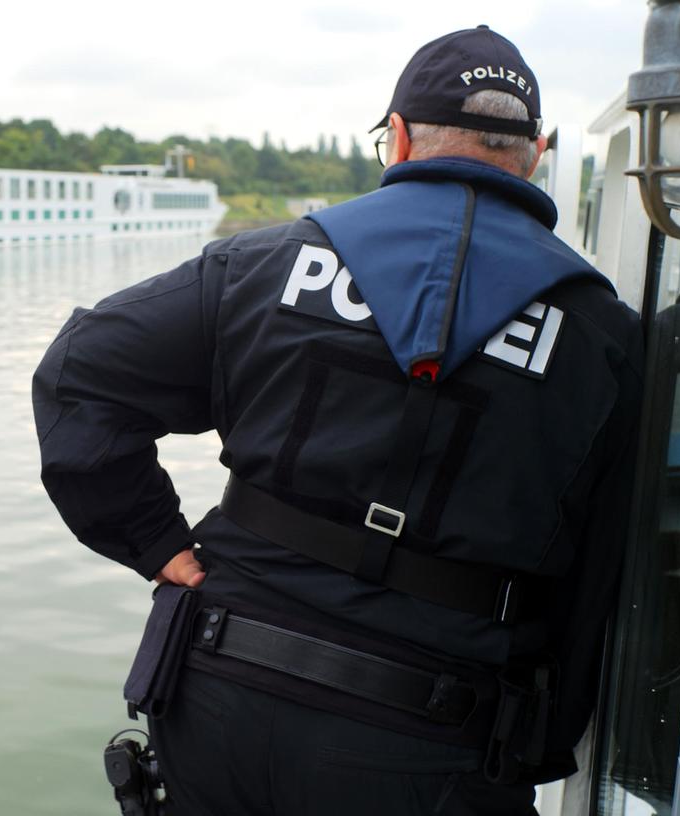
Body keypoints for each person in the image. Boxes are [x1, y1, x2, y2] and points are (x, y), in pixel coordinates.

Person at [34, 26, 643, 816]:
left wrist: (155, 543)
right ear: (535, 151)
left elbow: (80, 375)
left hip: (223, 689)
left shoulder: (256, 265)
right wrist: (545, 738)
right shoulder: (603, 337)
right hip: (433, 735)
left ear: (394, 137)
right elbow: (606, 568)